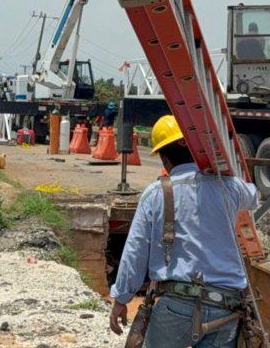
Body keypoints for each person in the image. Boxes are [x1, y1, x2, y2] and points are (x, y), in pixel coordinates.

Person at [109, 115, 258, 347]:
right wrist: (224, 168)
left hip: (177, 305)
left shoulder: (155, 194)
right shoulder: (228, 185)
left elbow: (135, 251)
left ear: (164, 158)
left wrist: (121, 299)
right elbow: (254, 197)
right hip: (226, 307)